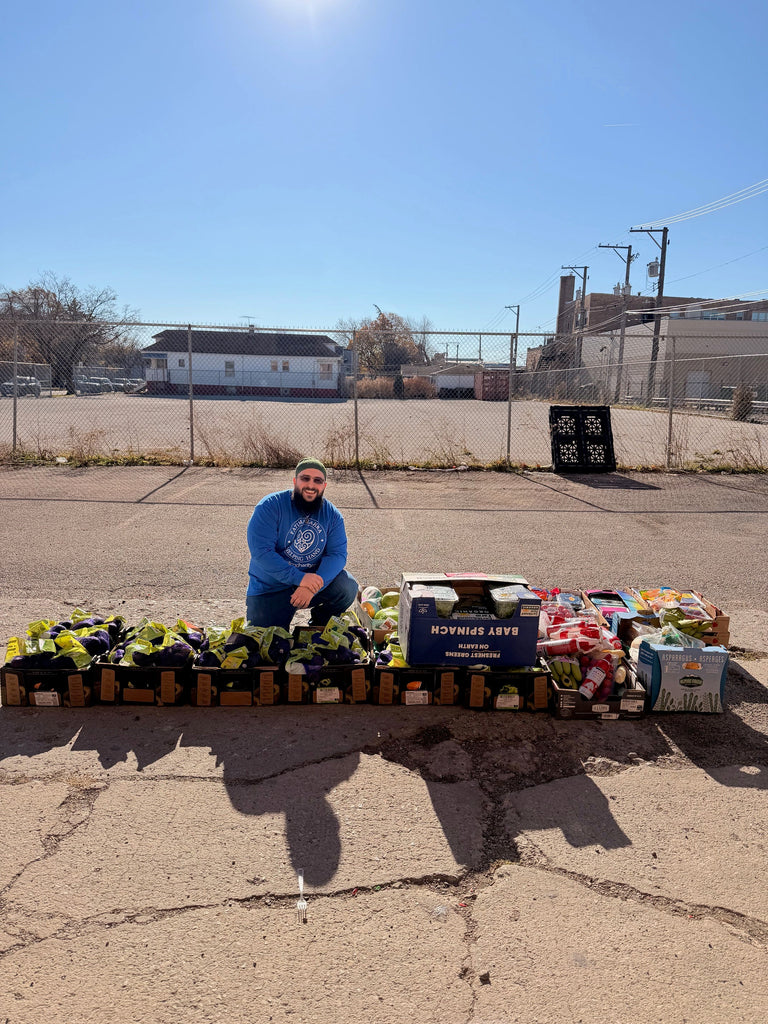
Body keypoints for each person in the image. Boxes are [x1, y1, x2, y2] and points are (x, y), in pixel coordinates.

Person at [246, 458, 358, 630]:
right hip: (271, 588)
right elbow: (262, 553)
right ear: (294, 481)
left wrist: (314, 584)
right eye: (305, 478)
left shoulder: (332, 515)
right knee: (269, 644)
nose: (311, 485)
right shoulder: (269, 506)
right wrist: (300, 578)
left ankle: (319, 623)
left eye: (317, 480)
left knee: (347, 586)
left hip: (311, 583)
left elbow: (337, 555)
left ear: (324, 486)